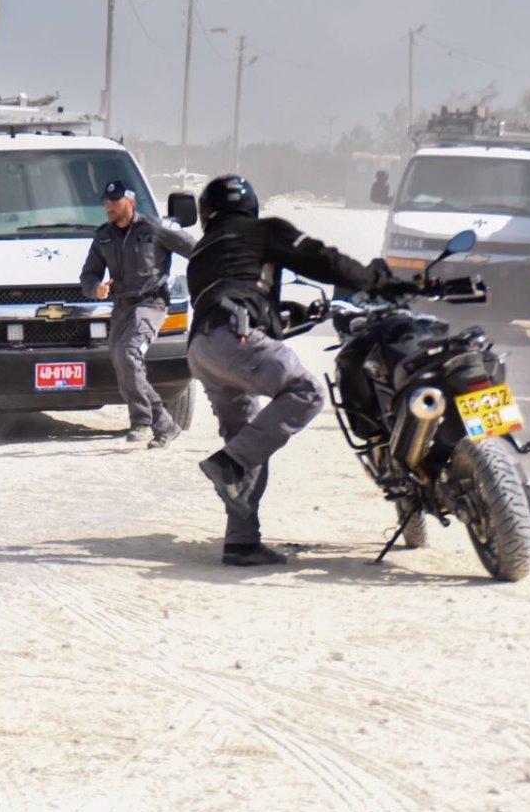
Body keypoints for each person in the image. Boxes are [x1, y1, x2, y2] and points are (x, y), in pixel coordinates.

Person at [185, 174, 409, 567]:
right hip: (233, 339)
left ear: (207, 214)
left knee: (251, 434)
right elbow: (324, 260)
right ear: (251, 207)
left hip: (203, 350)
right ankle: (228, 464)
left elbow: (238, 294)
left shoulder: (204, 251)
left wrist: (289, 315)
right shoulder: (264, 230)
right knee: (305, 391)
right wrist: (379, 282)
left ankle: (241, 542)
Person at [79, 179, 195, 448]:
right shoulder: (104, 236)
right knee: (123, 365)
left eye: (115, 201)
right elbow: (88, 274)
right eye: (106, 202)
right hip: (121, 307)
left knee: (129, 354)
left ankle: (142, 421)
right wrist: (94, 288)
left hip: (150, 304)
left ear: (130, 202)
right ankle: (164, 425)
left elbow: (193, 248)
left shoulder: (153, 228)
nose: (109, 206)